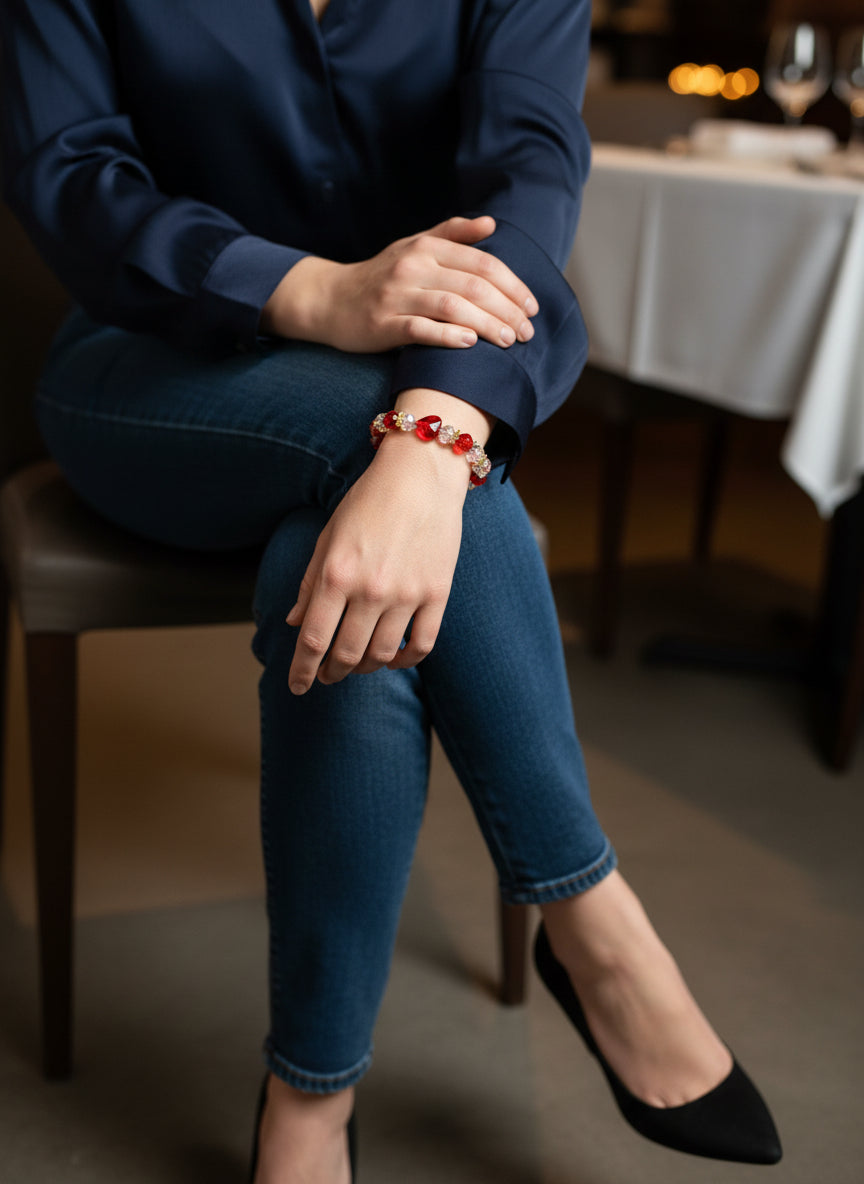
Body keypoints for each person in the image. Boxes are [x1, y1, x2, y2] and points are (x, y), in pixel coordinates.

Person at [0, 2, 782, 1180]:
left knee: (340, 549)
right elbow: (69, 172)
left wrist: (429, 435)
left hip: (421, 360)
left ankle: (309, 1096)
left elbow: (528, 165)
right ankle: (597, 924)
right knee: (405, 491)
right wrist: (309, 292)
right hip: (152, 364)